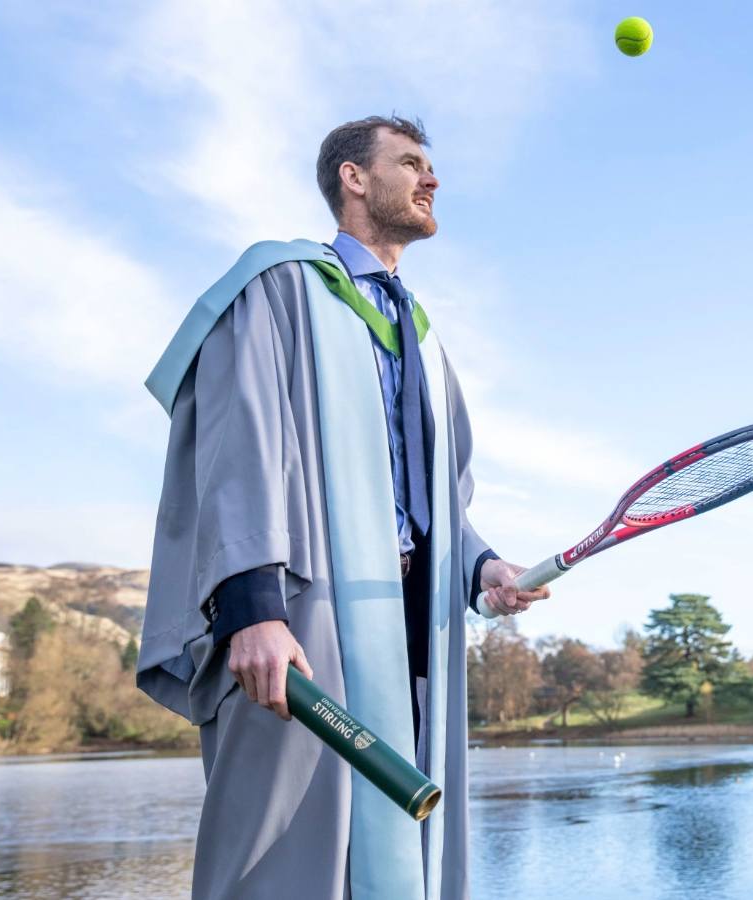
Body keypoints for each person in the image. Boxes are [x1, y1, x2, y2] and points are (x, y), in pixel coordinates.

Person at [136, 114, 549, 900]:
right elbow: (239, 445)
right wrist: (251, 608)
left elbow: (432, 500)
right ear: (353, 179)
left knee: (399, 851)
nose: (432, 181)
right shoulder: (280, 286)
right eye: (411, 163)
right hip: (299, 613)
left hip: (409, 630)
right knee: (280, 853)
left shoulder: (421, 339)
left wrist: (481, 567)